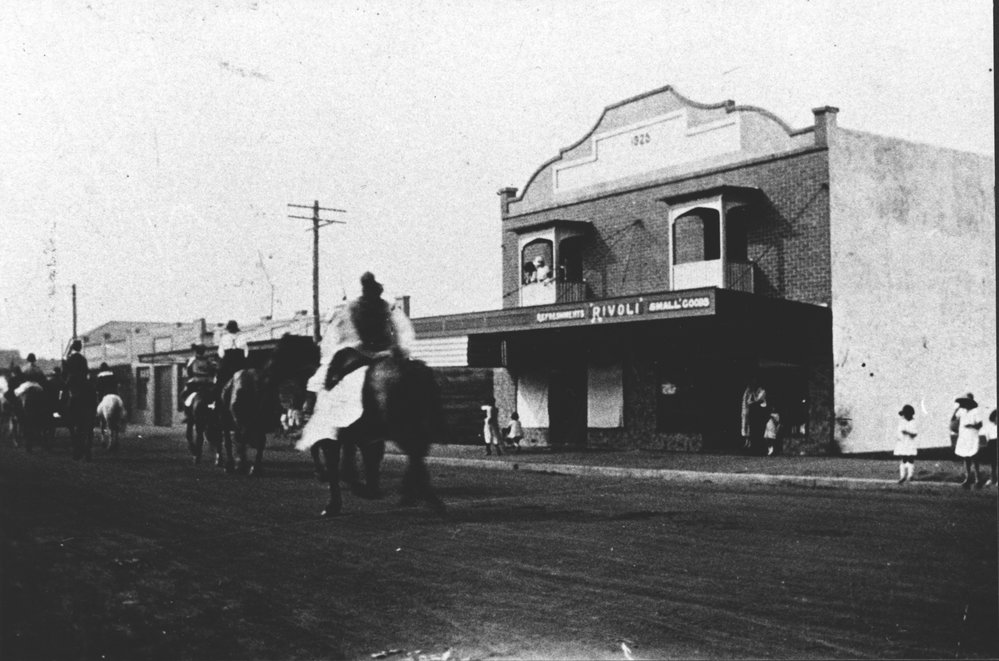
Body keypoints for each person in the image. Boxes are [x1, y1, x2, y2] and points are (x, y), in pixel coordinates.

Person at [952, 392, 984, 489]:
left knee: (974, 457)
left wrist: (971, 426)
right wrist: (956, 408)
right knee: (966, 457)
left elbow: (980, 424)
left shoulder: (976, 411)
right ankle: (968, 478)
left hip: (972, 437)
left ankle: (978, 479)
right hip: (964, 437)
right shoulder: (961, 411)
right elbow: (953, 419)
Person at [216, 320, 248, 398]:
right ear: (236, 329)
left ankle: (216, 398)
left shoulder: (224, 337)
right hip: (240, 363)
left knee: (219, 379)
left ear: (228, 329)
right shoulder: (242, 337)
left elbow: (221, 353)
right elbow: (246, 353)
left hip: (228, 363)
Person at [740, 376, 768, 453]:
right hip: (748, 411)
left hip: (757, 412)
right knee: (746, 425)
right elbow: (748, 401)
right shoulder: (749, 390)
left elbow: (757, 400)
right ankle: (747, 442)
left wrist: (752, 401)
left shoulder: (761, 391)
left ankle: (752, 444)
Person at [893, 404, 918, 483]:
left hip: (910, 442)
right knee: (904, 459)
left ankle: (910, 476)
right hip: (903, 442)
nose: (903, 416)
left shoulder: (913, 422)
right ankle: (902, 476)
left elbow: (914, 433)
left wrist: (907, 432)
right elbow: (899, 432)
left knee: (910, 459)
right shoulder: (902, 421)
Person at [983, 408, 997, 487]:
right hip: (992, 445)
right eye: (996, 416)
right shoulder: (990, 427)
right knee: (993, 464)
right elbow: (987, 438)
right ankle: (993, 479)